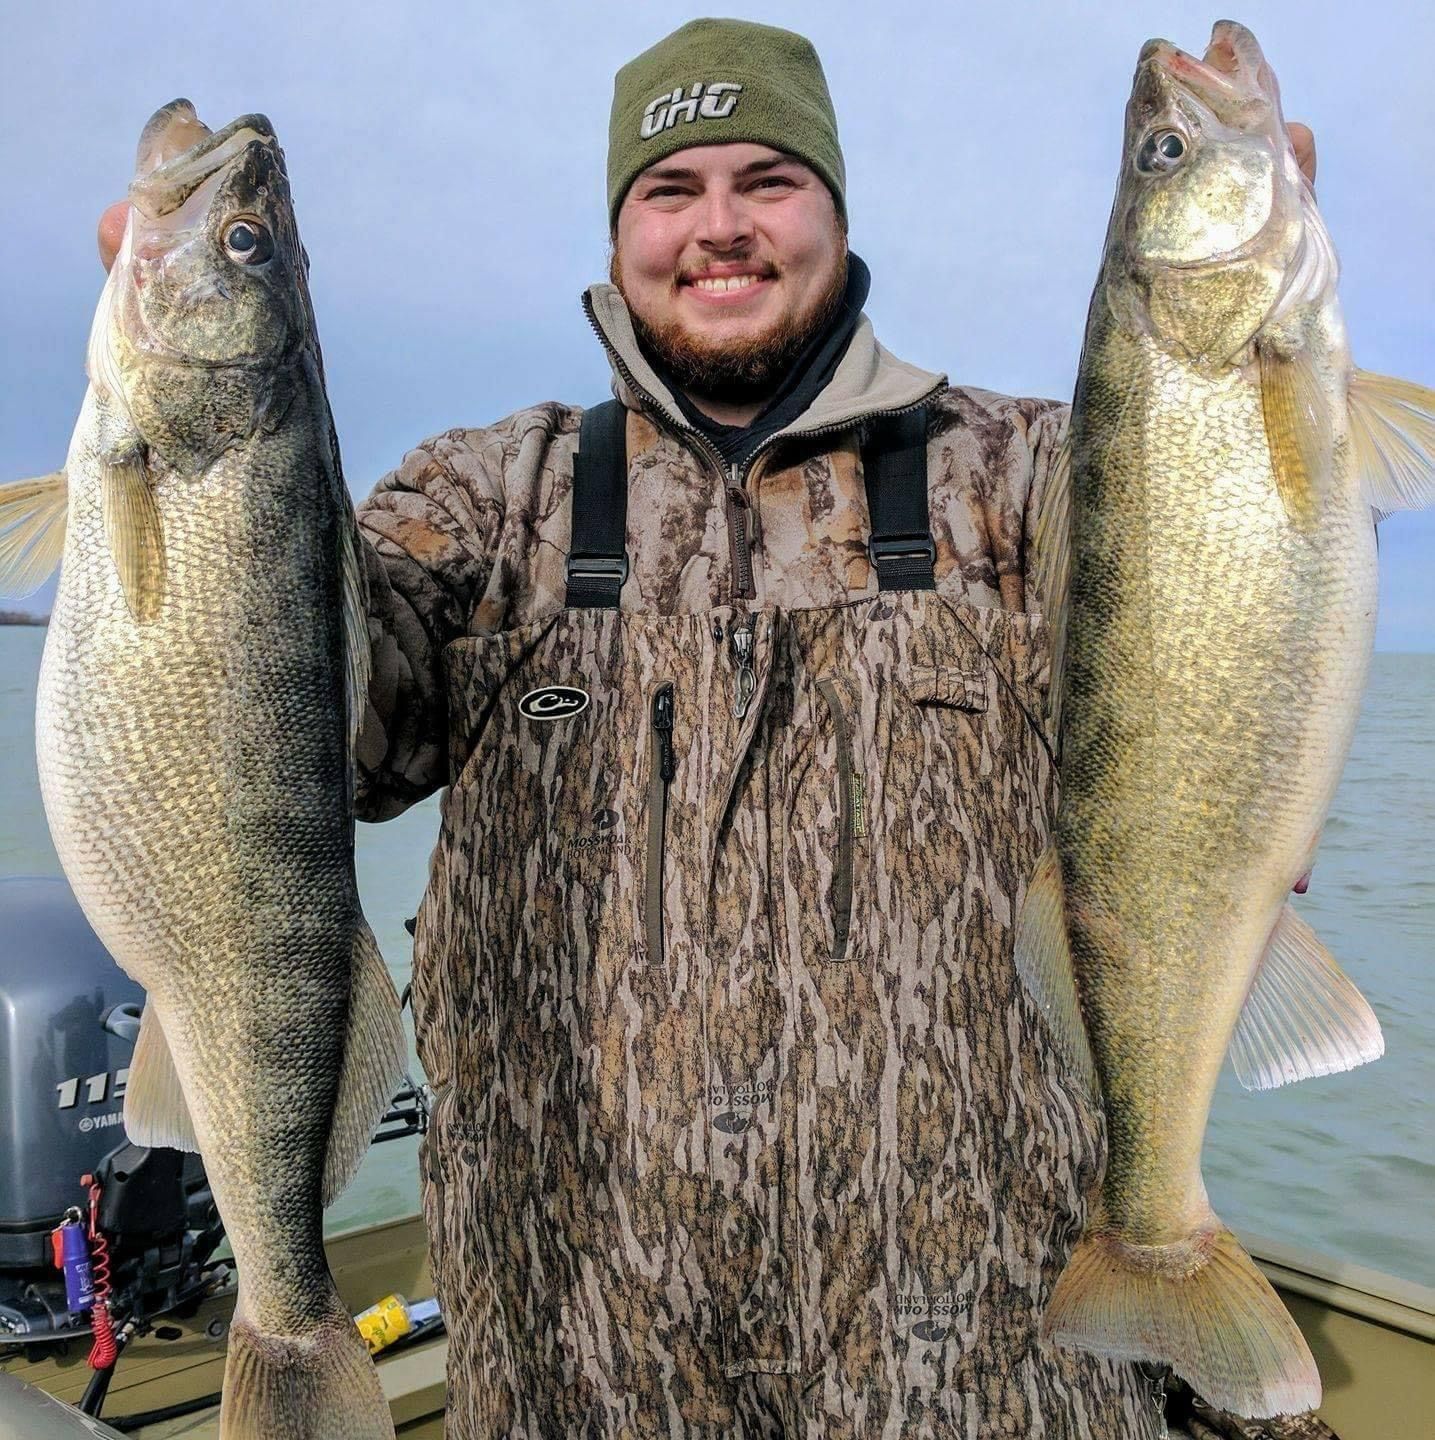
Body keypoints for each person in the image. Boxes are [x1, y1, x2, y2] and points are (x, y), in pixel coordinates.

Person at [92, 17, 1324, 1440]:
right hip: (577, 1370)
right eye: (670, 191)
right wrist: (201, 464)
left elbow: (1224, 637)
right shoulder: (488, 502)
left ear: (836, 212)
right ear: (620, 231)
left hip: (992, 1372)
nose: (720, 228)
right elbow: (324, 743)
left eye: (768, 181)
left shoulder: (1035, 477)